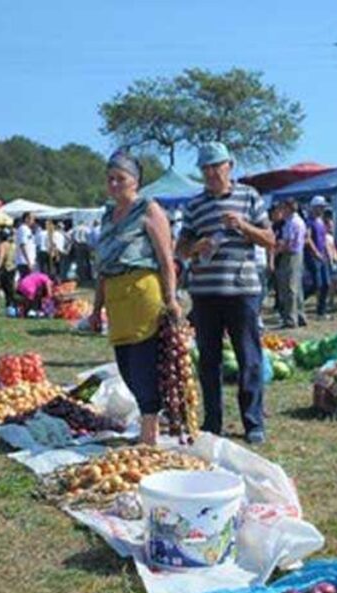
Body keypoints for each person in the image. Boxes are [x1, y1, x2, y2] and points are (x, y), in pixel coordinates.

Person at [176, 141, 275, 444]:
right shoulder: (194, 206)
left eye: (215, 166)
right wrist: (196, 247)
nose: (210, 173)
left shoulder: (249, 197)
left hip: (242, 291)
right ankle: (213, 421)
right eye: (205, 168)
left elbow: (270, 239)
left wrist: (244, 227)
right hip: (205, 294)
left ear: (229, 166)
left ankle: (253, 422)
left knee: (249, 357)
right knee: (209, 360)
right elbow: (180, 248)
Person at [89, 149, 180, 446]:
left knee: (143, 364)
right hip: (116, 300)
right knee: (125, 364)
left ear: (136, 182)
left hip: (143, 295)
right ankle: (149, 422)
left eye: (121, 179)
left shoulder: (148, 210)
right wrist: (95, 309)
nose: (114, 184)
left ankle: (149, 432)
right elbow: (102, 267)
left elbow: (166, 259)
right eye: (110, 179)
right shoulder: (107, 217)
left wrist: (172, 299)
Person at [274, 198, 306, 329]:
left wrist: (276, 251)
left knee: (290, 287)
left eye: (283, 207)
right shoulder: (292, 221)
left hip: (291, 255)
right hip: (295, 254)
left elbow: (288, 242)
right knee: (296, 287)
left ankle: (291, 319)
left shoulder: (293, 222)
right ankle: (300, 316)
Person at [305, 196, 331, 318]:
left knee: (326, 284)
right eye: (320, 207)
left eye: (323, 207)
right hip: (313, 256)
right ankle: (299, 301)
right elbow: (308, 238)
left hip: (323, 255)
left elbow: (324, 239)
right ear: (314, 207)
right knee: (316, 284)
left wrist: (328, 254)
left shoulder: (321, 221)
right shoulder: (309, 221)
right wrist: (316, 252)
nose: (322, 209)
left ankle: (322, 311)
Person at [0, 229, 17, 308]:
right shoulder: (12, 245)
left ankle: (8, 304)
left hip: (5, 268)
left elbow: (1, 257)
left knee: (2, 287)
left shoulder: (2, 245)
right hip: (12, 267)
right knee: (10, 288)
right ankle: (11, 304)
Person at [14, 213, 37, 279]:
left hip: (27, 261)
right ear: (27, 219)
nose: (33, 221)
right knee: (26, 282)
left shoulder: (27, 229)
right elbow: (23, 245)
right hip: (24, 262)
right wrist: (28, 262)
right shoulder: (23, 229)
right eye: (32, 219)